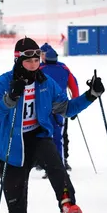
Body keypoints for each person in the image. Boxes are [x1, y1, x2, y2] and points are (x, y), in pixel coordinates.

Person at [0, 37, 105, 213]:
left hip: (38, 137)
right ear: (18, 59)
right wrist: (10, 98)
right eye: (28, 60)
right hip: (13, 149)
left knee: (56, 165)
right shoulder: (3, 82)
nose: (33, 64)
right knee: (17, 212)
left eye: (36, 59)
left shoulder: (46, 82)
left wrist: (91, 95)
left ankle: (67, 204)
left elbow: (66, 108)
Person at [40, 45, 79, 176]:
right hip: (61, 108)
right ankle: (61, 166)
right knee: (59, 137)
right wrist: (75, 107)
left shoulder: (40, 69)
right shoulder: (64, 69)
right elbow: (74, 86)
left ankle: (47, 166)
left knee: (46, 137)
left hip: (44, 109)